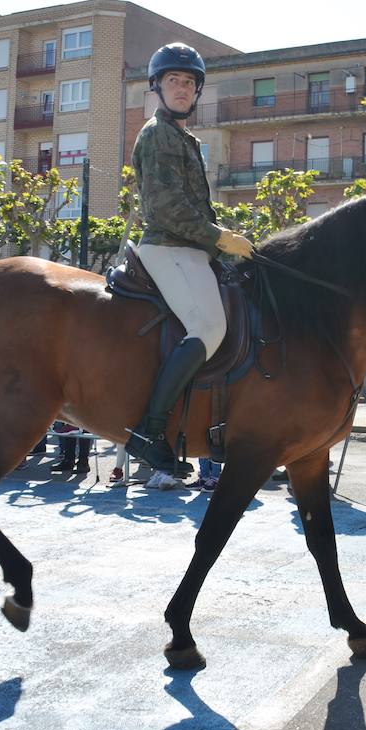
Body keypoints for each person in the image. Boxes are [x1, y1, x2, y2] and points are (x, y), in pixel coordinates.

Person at [128, 43, 254, 491]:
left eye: (189, 83)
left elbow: (196, 207)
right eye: (173, 81)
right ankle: (149, 431)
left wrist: (225, 241)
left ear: (197, 91)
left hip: (194, 249)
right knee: (209, 327)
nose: (181, 89)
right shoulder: (157, 134)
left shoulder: (186, 140)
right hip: (168, 247)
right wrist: (219, 238)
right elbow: (167, 208)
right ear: (158, 87)